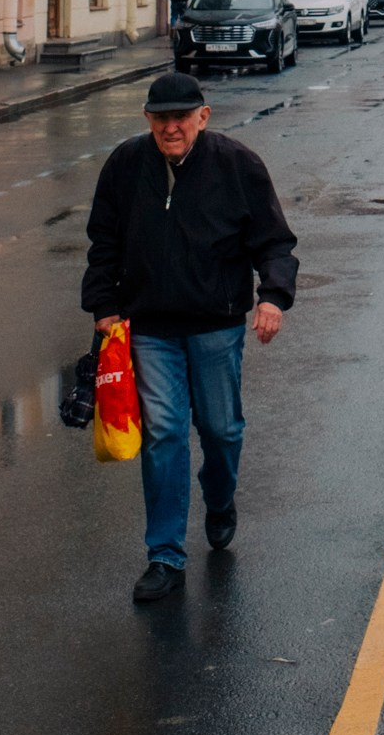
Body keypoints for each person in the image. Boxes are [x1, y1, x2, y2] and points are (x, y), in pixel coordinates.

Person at [82, 70, 298, 604]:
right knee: (166, 435)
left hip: (216, 324)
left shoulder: (237, 165)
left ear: (203, 116)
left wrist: (273, 296)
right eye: (161, 118)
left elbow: (275, 241)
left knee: (222, 431)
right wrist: (104, 306)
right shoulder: (125, 166)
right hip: (149, 327)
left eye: (181, 117)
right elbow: (102, 241)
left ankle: (219, 499)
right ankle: (165, 555)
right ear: (147, 120)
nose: (171, 128)